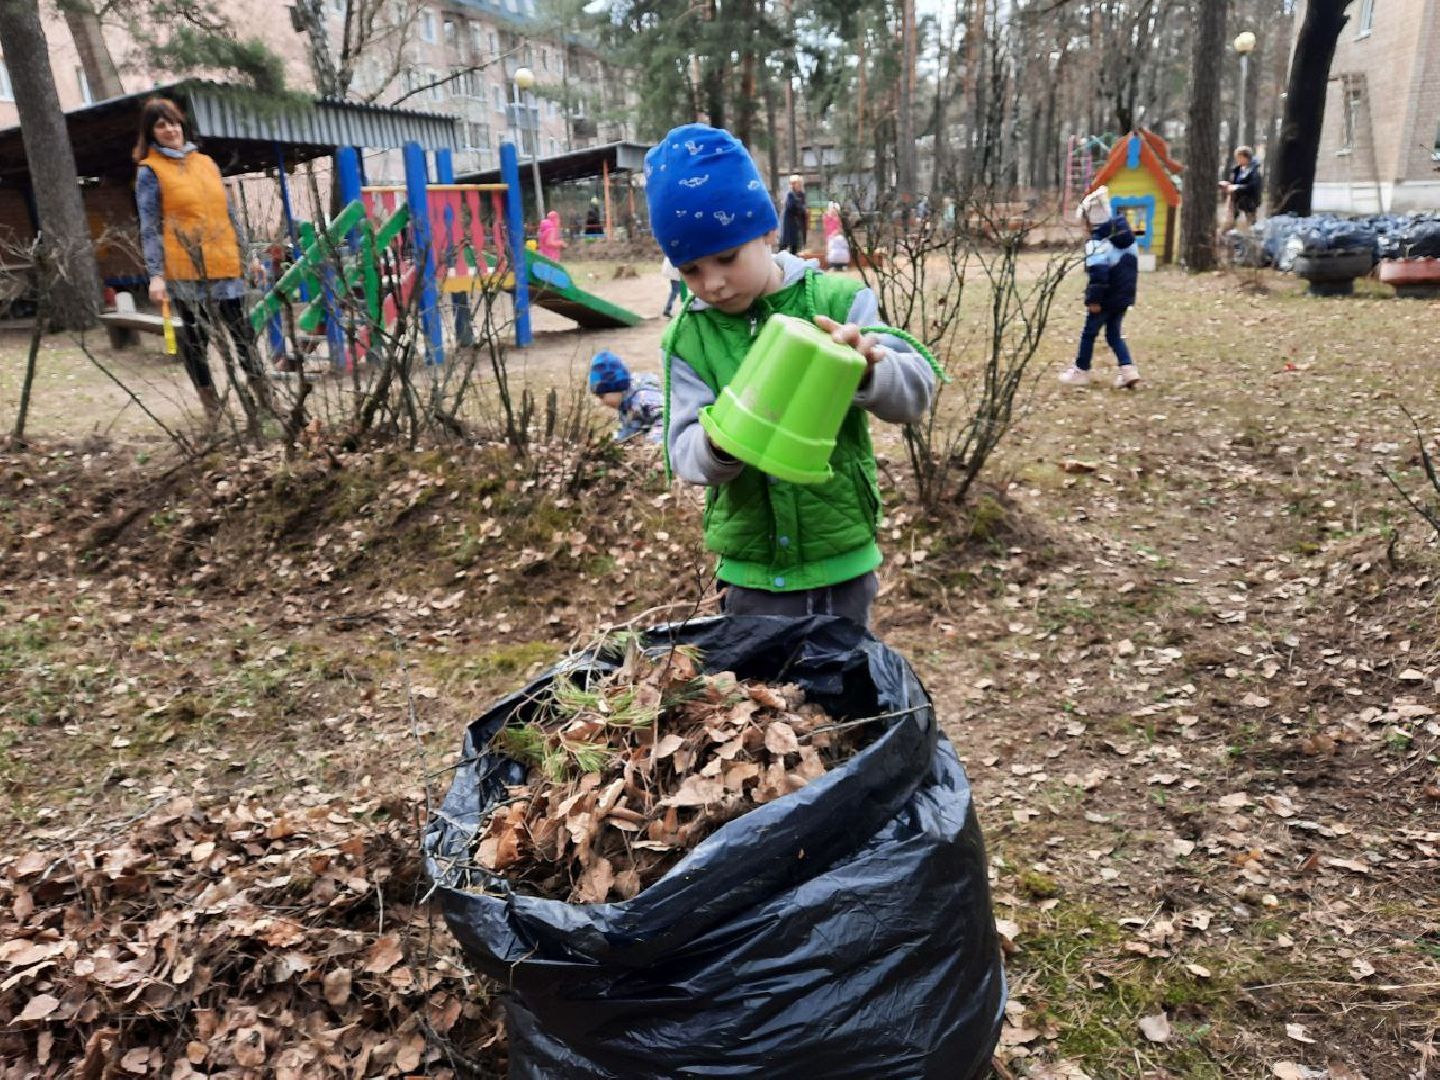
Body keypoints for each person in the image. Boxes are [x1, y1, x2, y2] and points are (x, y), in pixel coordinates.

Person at [648, 124, 938, 628]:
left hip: (840, 558)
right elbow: (684, 454)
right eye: (691, 270)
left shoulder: (838, 302)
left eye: (726, 258)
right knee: (760, 679)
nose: (713, 284)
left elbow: (917, 394)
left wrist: (867, 371)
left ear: (767, 231)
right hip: (751, 573)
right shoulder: (688, 339)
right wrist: (719, 444)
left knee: (843, 676)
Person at [133, 96, 270, 418]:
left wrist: (248, 255)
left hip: (225, 264)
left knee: (244, 336)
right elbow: (149, 226)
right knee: (196, 341)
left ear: (183, 125)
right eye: (161, 125)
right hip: (186, 270)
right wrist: (156, 274)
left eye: (174, 123)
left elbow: (229, 214)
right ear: (151, 133)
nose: (170, 129)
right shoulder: (150, 171)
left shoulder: (206, 163)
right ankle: (212, 408)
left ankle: (266, 402)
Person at [1059, 187, 1140, 389]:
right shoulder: (1129, 240)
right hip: (1123, 297)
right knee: (1114, 334)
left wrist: (1094, 300)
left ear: (1090, 221)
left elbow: (1099, 274)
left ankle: (1081, 370)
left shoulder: (1096, 244)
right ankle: (1128, 370)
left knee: (1089, 334)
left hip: (1104, 299)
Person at [589, 350, 663, 443]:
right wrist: (616, 441)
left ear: (615, 388)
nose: (601, 402)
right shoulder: (625, 404)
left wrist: (652, 440)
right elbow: (628, 430)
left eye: (601, 396)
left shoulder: (644, 397)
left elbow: (666, 418)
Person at [1221, 146, 1264, 228]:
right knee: (1231, 223)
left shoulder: (1254, 171)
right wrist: (1228, 186)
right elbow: (1235, 182)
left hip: (1250, 202)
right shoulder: (1237, 170)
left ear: (1245, 157)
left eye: (1239, 157)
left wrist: (1237, 187)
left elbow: (1253, 186)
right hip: (1236, 201)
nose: (1237, 159)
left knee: (1251, 225)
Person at [779, 174, 807, 255]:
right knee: (786, 243)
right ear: (794, 185)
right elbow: (790, 206)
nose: (800, 186)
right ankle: (779, 258)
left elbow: (803, 206)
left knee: (795, 244)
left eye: (801, 184)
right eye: (798, 184)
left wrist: (801, 208)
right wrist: (800, 207)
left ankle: (793, 257)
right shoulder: (790, 194)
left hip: (798, 223)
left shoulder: (802, 194)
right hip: (789, 222)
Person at [823, 201, 850, 270]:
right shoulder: (826, 216)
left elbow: (839, 228)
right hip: (828, 235)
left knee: (838, 249)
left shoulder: (838, 218)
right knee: (828, 250)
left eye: (836, 210)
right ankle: (831, 265)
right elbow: (825, 225)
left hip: (836, 237)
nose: (834, 212)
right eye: (833, 210)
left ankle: (842, 264)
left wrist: (835, 233)